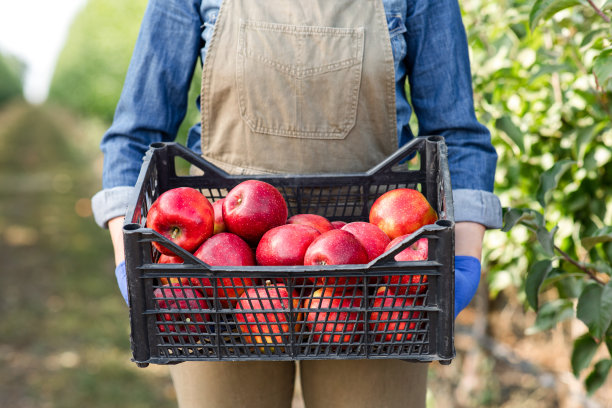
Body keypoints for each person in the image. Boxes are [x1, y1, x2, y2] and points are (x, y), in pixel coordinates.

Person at [92, 0, 502, 407]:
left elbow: (456, 134)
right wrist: (128, 254)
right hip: (216, 280)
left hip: (374, 280)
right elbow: (135, 134)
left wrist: (463, 256)